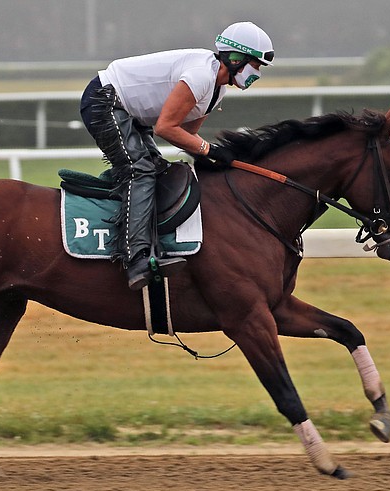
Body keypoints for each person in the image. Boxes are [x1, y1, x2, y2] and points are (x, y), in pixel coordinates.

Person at [79, 22, 275, 291]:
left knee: (158, 170)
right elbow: (165, 128)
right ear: (235, 58)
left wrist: (214, 156)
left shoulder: (217, 91)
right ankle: (135, 259)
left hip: (129, 113)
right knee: (139, 170)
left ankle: (154, 244)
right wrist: (211, 150)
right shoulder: (200, 77)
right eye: (256, 65)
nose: (258, 73)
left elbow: (187, 135)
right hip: (105, 100)